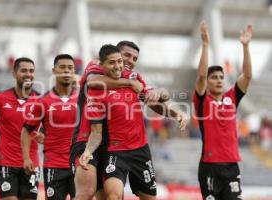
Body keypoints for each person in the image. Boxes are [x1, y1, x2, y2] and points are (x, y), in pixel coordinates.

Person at [80, 44, 186, 200]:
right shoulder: (97, 78)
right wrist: (88, 151)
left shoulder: (135, 78)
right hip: (113, 149)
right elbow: (91, 80)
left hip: (140, 150)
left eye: (134, 58)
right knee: (112, 195)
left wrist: (173, 112)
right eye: (126, 56)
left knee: (149, 197)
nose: (130, 61)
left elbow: (157, 98)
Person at [193, 21, 253, 200]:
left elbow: (248, 76)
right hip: (209, 166)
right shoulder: (202, 100)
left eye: (221, 77)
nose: (219, 80)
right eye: (214, 78)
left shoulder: (232, 97)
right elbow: (201, 75)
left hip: (232, 166)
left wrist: (246, 46)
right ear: (208, 82)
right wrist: (205, 45)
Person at [0, 57, 40, 200]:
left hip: (31, 163)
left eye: (31, 71)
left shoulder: (40, 99)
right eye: (24, 70)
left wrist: (44, 135)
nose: (28, 74)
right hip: (6, 162)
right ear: (14, 73)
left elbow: (49, 125)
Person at [21, 54, 78, 200]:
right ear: (54, 70)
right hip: (54, 164)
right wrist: (27, 158)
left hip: (79, 164)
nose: (66, 71)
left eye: (70, 68)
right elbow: (27, 130)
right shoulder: (43, 101)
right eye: (62, 67)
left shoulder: (83, 99)